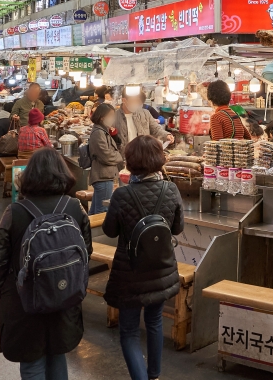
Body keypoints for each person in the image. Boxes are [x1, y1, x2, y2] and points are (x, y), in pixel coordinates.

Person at [0, 148, 92, 380]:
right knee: (57, 354)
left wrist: (5, 291)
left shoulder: (14, 211)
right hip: (64, 293)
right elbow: (86, 250)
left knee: (31, 360)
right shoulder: (74, 207)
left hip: (24, 298)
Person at [103, 136, 185, 380]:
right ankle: (154, 376)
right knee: (155, 322)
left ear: (130, 162)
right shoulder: (171, 189)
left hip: (130, 273)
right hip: (161, 270)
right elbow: (177, 228)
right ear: (159, 160)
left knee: (129, 331)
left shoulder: (122, 195)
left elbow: (110, 231)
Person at [88, 104, 124, 215]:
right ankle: (98, 233)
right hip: (102, 175)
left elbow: (113, 147)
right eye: (110, 115)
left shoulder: (104, 131)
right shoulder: (98, 132)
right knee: (102, 211)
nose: (112, 118)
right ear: (102, 116)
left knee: (95, 210)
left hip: (104, 175)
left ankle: (88, 232)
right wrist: (120, 157)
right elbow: (106, 155)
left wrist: (115, 136)